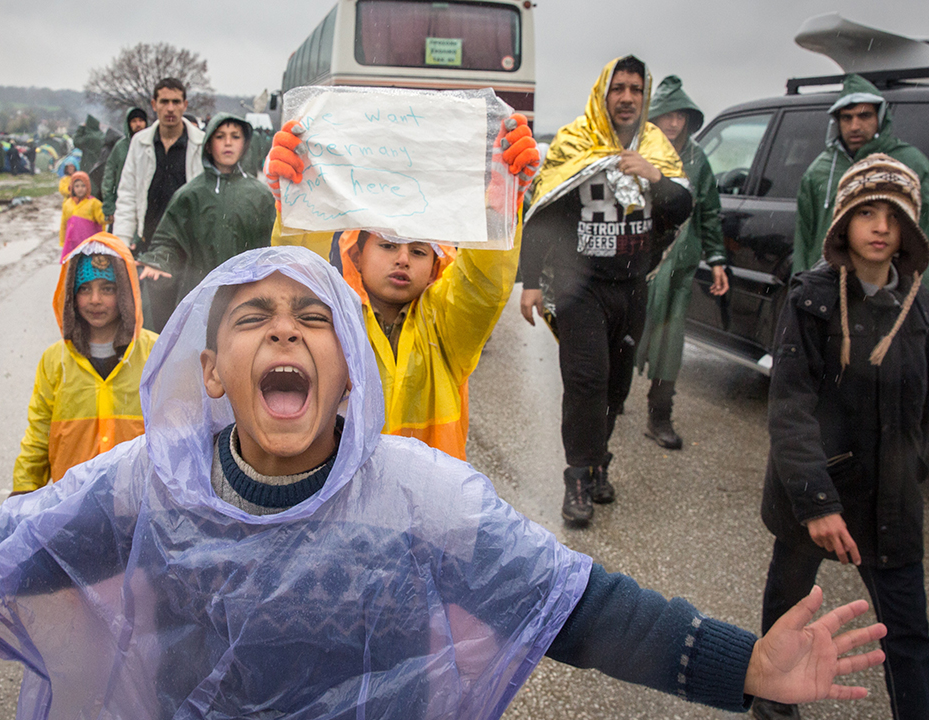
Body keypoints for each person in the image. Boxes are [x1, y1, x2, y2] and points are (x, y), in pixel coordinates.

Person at [0, 247, 887, 719]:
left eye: (312, 321)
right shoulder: (154, 483)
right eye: (254, 319)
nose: (284, 334)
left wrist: (745, 667)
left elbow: (583, 610)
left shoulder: (419, 494)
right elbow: (3, 542)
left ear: (346, 373)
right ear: (212, 370)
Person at [754, 155, 929, 720]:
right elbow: (790, 408)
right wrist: (817, 504)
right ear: (842, 224)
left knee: (907, 633)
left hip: (893, 496)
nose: (881, 227)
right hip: (814, 493)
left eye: (894, 215)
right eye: (867, 213)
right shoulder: (811, 299)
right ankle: (773, 704)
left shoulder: (921, 305)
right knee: (791, 609)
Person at [265, 114, 537, 460]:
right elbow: (293, 284)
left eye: (419, 250)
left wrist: (498, 211)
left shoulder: (446, 327)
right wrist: (301, 208)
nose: (403, 259)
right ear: (357, 254)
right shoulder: (330, 318)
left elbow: (480, 285)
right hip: (340, 501)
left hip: (431, 503)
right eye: (388, 245)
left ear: (435, 265)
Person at [519, 55, 692, 525]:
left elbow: (681, 208)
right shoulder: (575, 142)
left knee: (617, 385)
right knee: (586, 381)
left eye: (636, 89)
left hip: (633, 286)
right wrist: (531, 281)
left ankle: (598, 462)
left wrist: (654, 176)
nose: (628, 97)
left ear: (645, 96)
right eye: (619, 88)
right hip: (581, 287)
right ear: (603, 93)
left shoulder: (656, 147)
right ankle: (577, 478)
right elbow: (544, 212)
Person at [10, 233, 157, 495]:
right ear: (71, 296)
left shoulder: (154, 353)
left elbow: (178, 430)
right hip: (72, 503)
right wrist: (23, 490)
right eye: (85, 288)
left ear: (124, 292)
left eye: (107, 289)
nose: (95, 300)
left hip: (138, 500)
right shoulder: (54, 361)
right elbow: (39, 433)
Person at [634, 75, 730, 449]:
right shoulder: (638, 151)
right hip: (639, 263)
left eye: (681, 116)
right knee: (627, 334)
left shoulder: (697, 158)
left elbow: (708, 210)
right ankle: (613, 399)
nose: (674, 123)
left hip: (680, 266)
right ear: (653, 118)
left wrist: (717, 258)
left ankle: (660, 416)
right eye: (666, 116)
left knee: (670, 342)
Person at [136, 112, 275, 331]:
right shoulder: (190, 194)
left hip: (248, 299)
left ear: (245, 144)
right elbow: (169, 240)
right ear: (209, 145)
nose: (228, 143)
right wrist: (159, 260)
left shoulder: (261, 195)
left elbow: (273, 247)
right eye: (220, 136)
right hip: (199, 297)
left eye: (235, 136)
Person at [792, 74, 929, 275]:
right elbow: (804, 237)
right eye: (847, 118)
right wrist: (801, 283)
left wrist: (918, 290)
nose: (855, 126)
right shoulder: (820, 170)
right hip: (830, 285)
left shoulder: (910, 164)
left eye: (864, 116)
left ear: (880, 117)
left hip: (890, 284)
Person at [113, 78, 206, 331]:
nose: (170, 108)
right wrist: (120, 245)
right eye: (164, 102)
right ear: (154, 105)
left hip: (188, 248)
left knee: (188, 319)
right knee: (151, 319)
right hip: (150, 244)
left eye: (176, 102)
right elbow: (128, 194)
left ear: (185, 104)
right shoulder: (140, 142)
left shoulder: (199, 143)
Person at [100, 106, 149, 232]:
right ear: (128, 124)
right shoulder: (120, 148)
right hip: (123, 202)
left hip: (148, 203)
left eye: (141, 120)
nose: (138, 124)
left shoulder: (152, 145)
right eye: (134, 121)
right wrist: (109, 207)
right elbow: (109, 177)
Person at [58, 170, 105, 258]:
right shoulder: (67, 204)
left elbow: (101, 220)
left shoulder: (94, 203)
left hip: (89, 244)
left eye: (83, 186)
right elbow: (64, 224)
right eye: (77, 186)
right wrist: (62, 241)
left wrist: (107, 216)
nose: (80, 189)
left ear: (88, 187)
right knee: (72, 266)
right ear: (72, 188)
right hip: (72, 244)